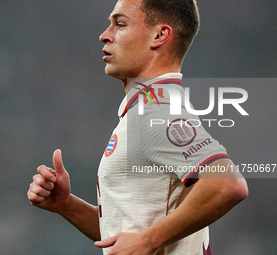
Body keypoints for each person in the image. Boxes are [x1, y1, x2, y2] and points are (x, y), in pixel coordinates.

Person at [27, 0, 248, 254]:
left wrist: (148, 240)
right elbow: (128, 236)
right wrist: (66, 204)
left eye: (120, 24)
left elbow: (227, 183)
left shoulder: (158, 112)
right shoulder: (148, 111)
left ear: (160, 35)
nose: (104, 36)